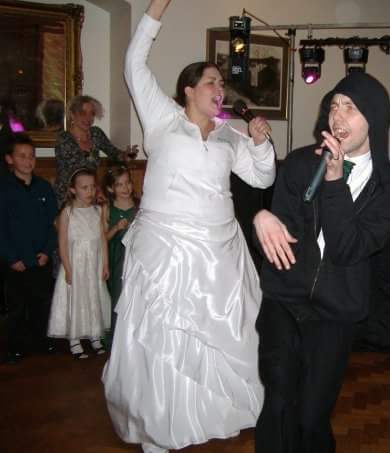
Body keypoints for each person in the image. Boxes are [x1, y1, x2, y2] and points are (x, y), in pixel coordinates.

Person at [101, 1, 276, 451]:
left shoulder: (230, 135)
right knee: (165, 337)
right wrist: (157, 6)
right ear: (188, 90)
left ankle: (218, 411)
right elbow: (133, 62)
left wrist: (260, 145)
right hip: (166, 248)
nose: (220, 88)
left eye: (222, 82)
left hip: (220, 250)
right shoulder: (162, 118)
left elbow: (262, 178)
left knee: (223, 333)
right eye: (212, 81)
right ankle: (160, 424)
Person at [252, 72, 390, 453]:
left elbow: (347, 249)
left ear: (374, 119)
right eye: (334, 106)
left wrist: (336, 182)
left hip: (336, 311)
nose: (337, 116)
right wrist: (260, 218)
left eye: (350, 108)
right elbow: (277, 231)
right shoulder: (301, 164)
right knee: (278, 398)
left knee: (311, 416)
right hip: (284, 298)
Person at [0, 133, 57, 364]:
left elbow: (53, 223)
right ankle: (15, 345)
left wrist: (47, 251)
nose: (28, 161)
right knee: (16, 306)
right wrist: (11, 258)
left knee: (41, 302)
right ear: (9, 159)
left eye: (31, 156)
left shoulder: (44, 188)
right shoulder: (4, 189)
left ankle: (41, 340)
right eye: (22, 156)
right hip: (15, 261)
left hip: (40, 258)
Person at [47, 168, 111, 359]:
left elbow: (102, 239)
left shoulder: (97, 211)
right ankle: (74, 338)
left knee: (93, 297)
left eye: (92, 187)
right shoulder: (68, 213)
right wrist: (67, 268)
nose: (90, 191)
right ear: (73, 190)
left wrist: (105, 264)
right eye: (84, 187)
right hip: (75, 265)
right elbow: (62, 243)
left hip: (94, 264)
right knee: (76, 299)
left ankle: (94, 334)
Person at [53, 95, 138, 206]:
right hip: (68, 195)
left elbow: (114, 153)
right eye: (83, 113)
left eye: (92, 113)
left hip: (90, 193)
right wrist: (98, 189)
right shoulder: (64, 138)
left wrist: (126, 156)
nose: (88, 118)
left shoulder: (96, 133)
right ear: (72, 115)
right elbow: (75, 171)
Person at [101, 166, 138, 349]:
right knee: (118, 295)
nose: (126, 188)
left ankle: (135, 336)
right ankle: (116, 339)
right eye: (119, 184)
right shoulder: (108, 209)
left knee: (136, 295)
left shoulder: (139, 206)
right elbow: (103, 238)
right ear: (110, 188)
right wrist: (116, 228)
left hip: (137, 257)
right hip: (117, 258)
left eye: (128, 182)